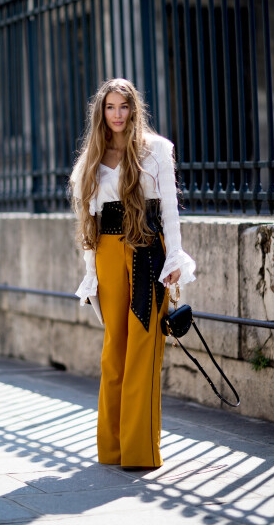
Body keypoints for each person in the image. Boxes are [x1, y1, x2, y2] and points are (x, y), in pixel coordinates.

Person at [70, 78, 195, 469]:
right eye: (110, 107)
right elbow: (87, 228)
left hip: (147, 252)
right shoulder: (90, 159)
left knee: (143, 348)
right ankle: (112, 449)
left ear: (134, 108)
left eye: (124, 106)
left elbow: (170, 211)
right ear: (101, 112)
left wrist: (174, 258)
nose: (118, 114)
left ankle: (140, 451)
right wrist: (90, 277)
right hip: (108, 254)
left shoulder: (156, 150)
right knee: (114, 352)